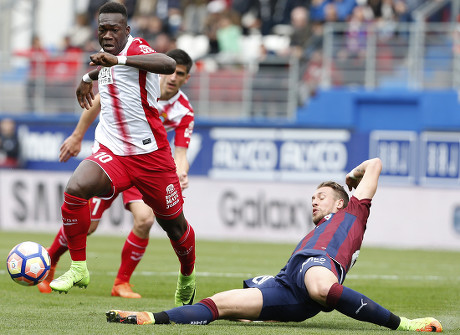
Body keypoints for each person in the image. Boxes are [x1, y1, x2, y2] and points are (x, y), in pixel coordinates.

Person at [106, 158, 443, 332]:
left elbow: (376, 165)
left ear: (340, 202)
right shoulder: (322, 225)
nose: (314, 201)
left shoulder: (355, 211)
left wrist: (352, 178)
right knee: (219, 303)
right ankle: (150, 318)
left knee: (321, 284)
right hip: (287, 282)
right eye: (312, 197)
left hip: (320, 267)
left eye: (321, 197)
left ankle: (403, 324)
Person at [48, 3, 196, 308]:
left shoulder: (137, 49)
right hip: (113, 152)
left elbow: (167, 63)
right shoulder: (107, 60)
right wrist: (88, 78)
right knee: (76, 188)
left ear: (126, 30)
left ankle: (187, 276)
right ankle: (77, 268)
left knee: (175, 227)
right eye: (102, 29)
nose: (107, 34)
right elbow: (107, 71)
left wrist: (116, 59)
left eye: (114, 28)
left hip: (151, 157)